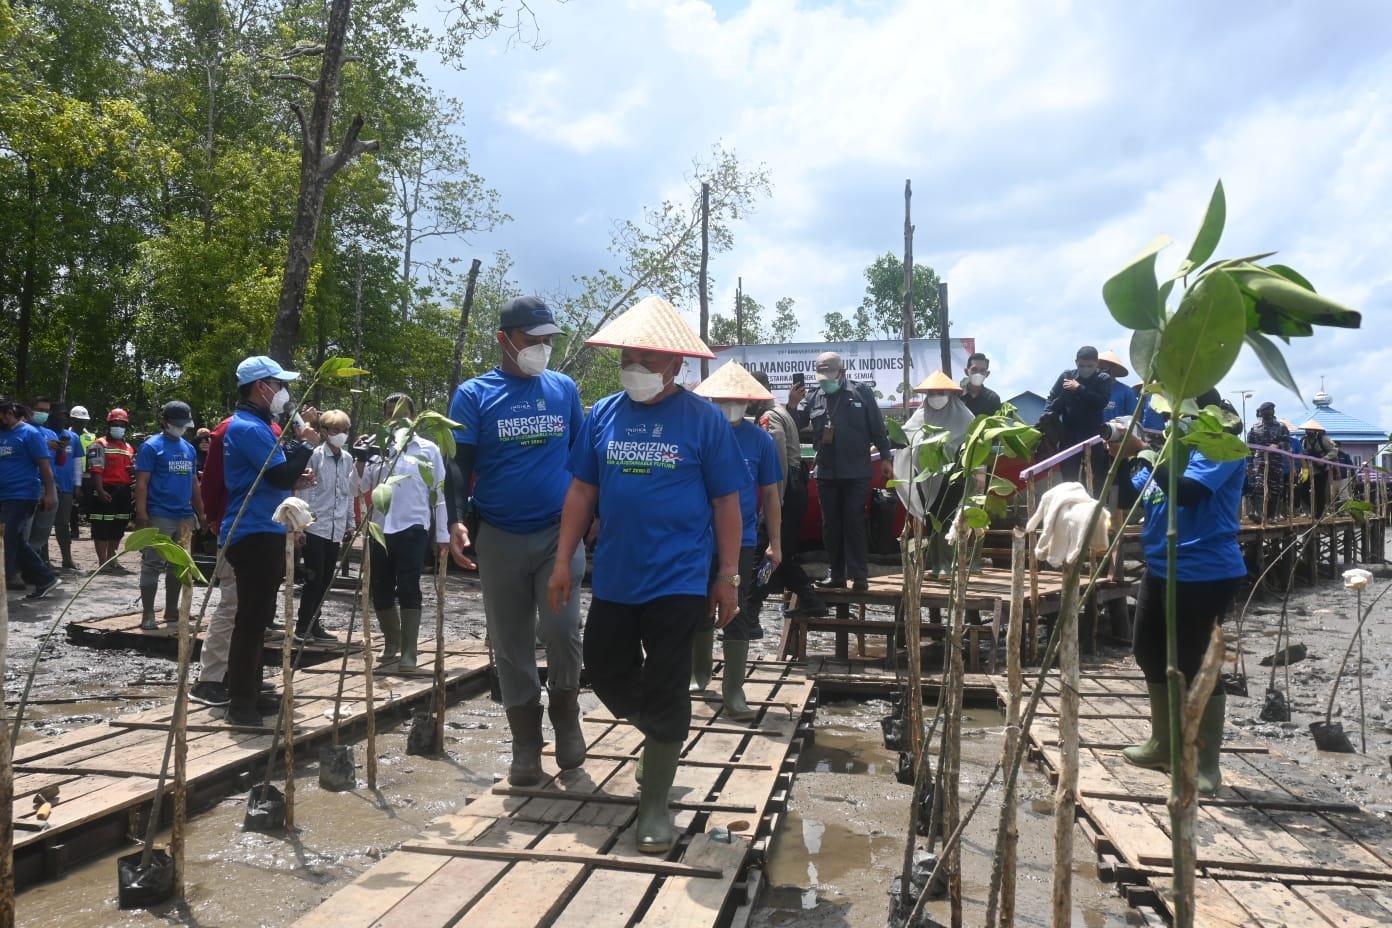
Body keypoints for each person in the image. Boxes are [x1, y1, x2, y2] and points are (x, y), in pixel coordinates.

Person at [547, 295, 743, 854]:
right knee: (606, 670)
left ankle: (654, 804)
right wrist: (562, 560)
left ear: (676, 364)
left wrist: (728, 575)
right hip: (615, 573)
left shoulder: (703, 420)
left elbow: (726, 502)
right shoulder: (604, 414)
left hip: (679, 577)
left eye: (648, 360)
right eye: (627, 358)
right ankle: (662, 738)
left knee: (666, 682)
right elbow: (582, 491)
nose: (635, 368)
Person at [445, 296, 587, 786]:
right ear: (504, 340)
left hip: (558, 534)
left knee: (562, 630)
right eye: (533, 339)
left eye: (548, 340)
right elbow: (459, 464)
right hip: (499, 534)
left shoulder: (563, 390)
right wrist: (455, 519)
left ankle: (566, 716)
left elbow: (582, 458)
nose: (543, 348)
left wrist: (596, 514)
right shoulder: (474, 395)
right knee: (510, 643)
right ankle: (526, 743)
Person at [1110, 404, 1245, 795]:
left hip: (1204, 571)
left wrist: (1145, 453)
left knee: (1193, 662)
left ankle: (1203, 762)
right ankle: (1163, 745)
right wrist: (1124, 455)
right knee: (1148, 651)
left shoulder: (1220, 446)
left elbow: (1187, 493)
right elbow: (1138, 494)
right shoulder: (1171, 449)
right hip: (1161, 566)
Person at [219, 355, 316, 725]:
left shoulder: (258, 425)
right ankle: (240, 701)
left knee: (258, 617)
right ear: (261, 387)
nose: (283, 391)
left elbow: (274, 476)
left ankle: (251, 691)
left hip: (264, 528)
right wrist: (305, 445)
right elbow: (278, 477)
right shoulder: (249, 428)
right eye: (279, 384)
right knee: (251, 618)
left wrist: (296, 474)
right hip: (253, 531)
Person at [691, 362, 782, 721]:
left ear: (748, 402)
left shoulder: (760, 440)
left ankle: (733, 689)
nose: (730, 406)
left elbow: (771, 495)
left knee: (737, 607)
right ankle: (698, 674)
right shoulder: (699, 434)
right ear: (712, 400)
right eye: (723, 399)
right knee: (698, 603)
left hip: (742, 539)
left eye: (737, 400)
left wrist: (775, 542)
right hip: (699, 536)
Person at [361, 393, 449, 674]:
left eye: (401, 413)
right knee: (380, 586)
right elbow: (357, 487)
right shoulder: (377, 448)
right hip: (380, 527)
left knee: (409, 585)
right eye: (390, 414)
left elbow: (439, 492)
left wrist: (443, 534)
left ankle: (410, 651)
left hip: (413, 526)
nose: (395, 419)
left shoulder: (428, 449)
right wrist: (361, 458)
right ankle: (392, 641)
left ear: (413, 416)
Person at [793, 351, 894, 591]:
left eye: (830, 377)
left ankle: (859, 575)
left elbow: (877, 427)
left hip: (857, 471)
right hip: (827, 472)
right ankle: (836, 574)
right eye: (822, 378)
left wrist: (886, 457)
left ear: (842, 373)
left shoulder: (861, 392)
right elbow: (795, 423)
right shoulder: (813, 396)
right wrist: (792, 404)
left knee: (854, 521)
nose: (826, 382)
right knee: (831, 525)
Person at [747, 370, 826, 621]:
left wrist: (774, 504)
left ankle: (752, 609)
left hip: (785, 492)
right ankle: (809, 600)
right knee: (780, 554)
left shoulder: (769, 417)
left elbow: (777, 463)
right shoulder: (779, 412)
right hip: (793, 490)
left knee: (768, 552)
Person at [895, 371, 976, 577]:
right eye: (931, 393)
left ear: (950, 395)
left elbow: (975, 445)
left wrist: (978, 473)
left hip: (953, 477)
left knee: (947, 517)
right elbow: (904, 436)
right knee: (931, 519)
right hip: (926, 477)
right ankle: (935, 564)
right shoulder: (921, 415)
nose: (936, 397)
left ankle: (947, 564)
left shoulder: (965, 417)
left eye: (941, 393)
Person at [133, 401, 205, 629]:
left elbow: (194, 483)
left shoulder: (189, 448)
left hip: (184, 515)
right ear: (165, 422)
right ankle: (148, 614)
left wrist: (201, 512)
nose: (181, 428)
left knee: (179, 564)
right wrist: (141, 514)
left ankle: (172, 610)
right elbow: (142, 483)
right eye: (177, 423)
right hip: (159, 514)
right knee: (153, 564)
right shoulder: (151, 447)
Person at [294, 410, 357, 643]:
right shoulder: (315, 456)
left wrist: (350, 523)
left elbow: (348, 494)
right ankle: (302, 626)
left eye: (344, 431)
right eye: (335, 430)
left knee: (327, 578)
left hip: (336, 528)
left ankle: (315, 623)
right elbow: (303, 490)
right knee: (314, 577)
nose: (340, 435)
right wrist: (300, 525)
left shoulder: (348, 459)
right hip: (315, 525)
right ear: (324, 431)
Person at [0, 396, 61, 600]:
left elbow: (45, 466)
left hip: (22, 494)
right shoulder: (2, 434)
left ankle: (13, 577)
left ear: (9, 414)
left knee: (10, 537)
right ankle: (45, 578)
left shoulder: (29, 434)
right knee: (13, 538)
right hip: (4, 495)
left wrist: (50, 493)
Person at [1041, 346, 1113, 483]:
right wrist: (1047, 416)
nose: (1085, 369)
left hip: (1093, 435)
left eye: (1089, 366)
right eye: (1081, 365)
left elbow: (1101, 402)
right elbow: (1051, 397)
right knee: (1069, 479)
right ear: (1076, 362)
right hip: (1068, 436)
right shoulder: (1066, 376)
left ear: (1097, 363)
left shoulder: (1103, 379)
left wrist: (1079, 388)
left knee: (1093, 479)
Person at [87, 408, 137, 567]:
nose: (118, 427)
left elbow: (131, 468)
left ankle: (111, 558)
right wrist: (100, 490)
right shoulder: (99, 444)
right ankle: (102, 561)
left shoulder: (128, 447)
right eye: (115, 424)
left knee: (119, 525)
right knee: (101, 526)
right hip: (105, 488)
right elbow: (96, 470)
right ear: (109, 425)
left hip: (124, 491)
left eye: (122, 425)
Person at [24, 397, 67, 567]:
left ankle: (33, 568)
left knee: (42, 531)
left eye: (47, 411)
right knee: (24, 531)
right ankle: (18, 569)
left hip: (49, 487)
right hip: (28, 486)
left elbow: (59, 462)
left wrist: (62, 450)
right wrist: (44, 444)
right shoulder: (22, 430)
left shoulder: (51, 434)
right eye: (40, 410)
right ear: (29, 409)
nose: (43, 414)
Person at [1245, 402, 1290, 522]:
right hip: (1259, 462)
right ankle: (1259, 514)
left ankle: (1272, 516)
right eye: (1265, 411)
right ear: (1261, 413)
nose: (1268, 413)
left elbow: (1287, 444)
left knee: (1275, 488)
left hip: (1275, 462)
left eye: (1270, 410)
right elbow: (1249, 449)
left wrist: (1278, 445)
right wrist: (1249, 464)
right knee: (1258, 487)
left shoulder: (1281, 427)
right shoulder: (1255, 428)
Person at [1298, 419, 1339, 517]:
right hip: (1308, 470)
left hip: (1321, 470)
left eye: (1310, 429)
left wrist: (1325, 458)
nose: (1308, 431)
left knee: (1320, 492)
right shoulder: (1303, 440)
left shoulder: (1323, 439)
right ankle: (1312, 509)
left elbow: (1334, 450)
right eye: (1307, 429)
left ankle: (1319, 514)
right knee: (1302, 490)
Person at [959, 352, 1002, 417]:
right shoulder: (957, 396)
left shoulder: (993, 398)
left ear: (987, 374)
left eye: (982, 370)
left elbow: (997, 422)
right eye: (974, 369)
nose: (978, 374)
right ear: (966, 371)